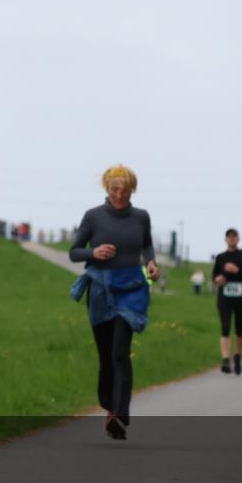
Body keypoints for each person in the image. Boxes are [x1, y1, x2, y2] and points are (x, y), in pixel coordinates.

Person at [69, 164, 159, 441]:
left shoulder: (141, 217)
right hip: (100, 291)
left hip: (131, 289)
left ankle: (120, 413)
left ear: (132, 190)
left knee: (121, 351)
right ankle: (109, 405)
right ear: (107, 189)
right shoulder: (93, 217)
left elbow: (145, 245)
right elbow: (74, 253)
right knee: (106, 355)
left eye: (124, 190)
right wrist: (93, 252)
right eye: (114, 189)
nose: (119, 195)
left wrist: (151, 262)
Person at [212, 229, 242, 375]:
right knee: (225, 326)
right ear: (225, 240)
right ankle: (225, 359)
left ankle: (237, 356)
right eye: (229, 237)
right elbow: (215, 275)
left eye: (234, 237)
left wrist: (237, 271)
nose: (231, 240)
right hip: (224, 296)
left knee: (239, 329)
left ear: (238, 239)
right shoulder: (220, 257)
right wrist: (218, 279)